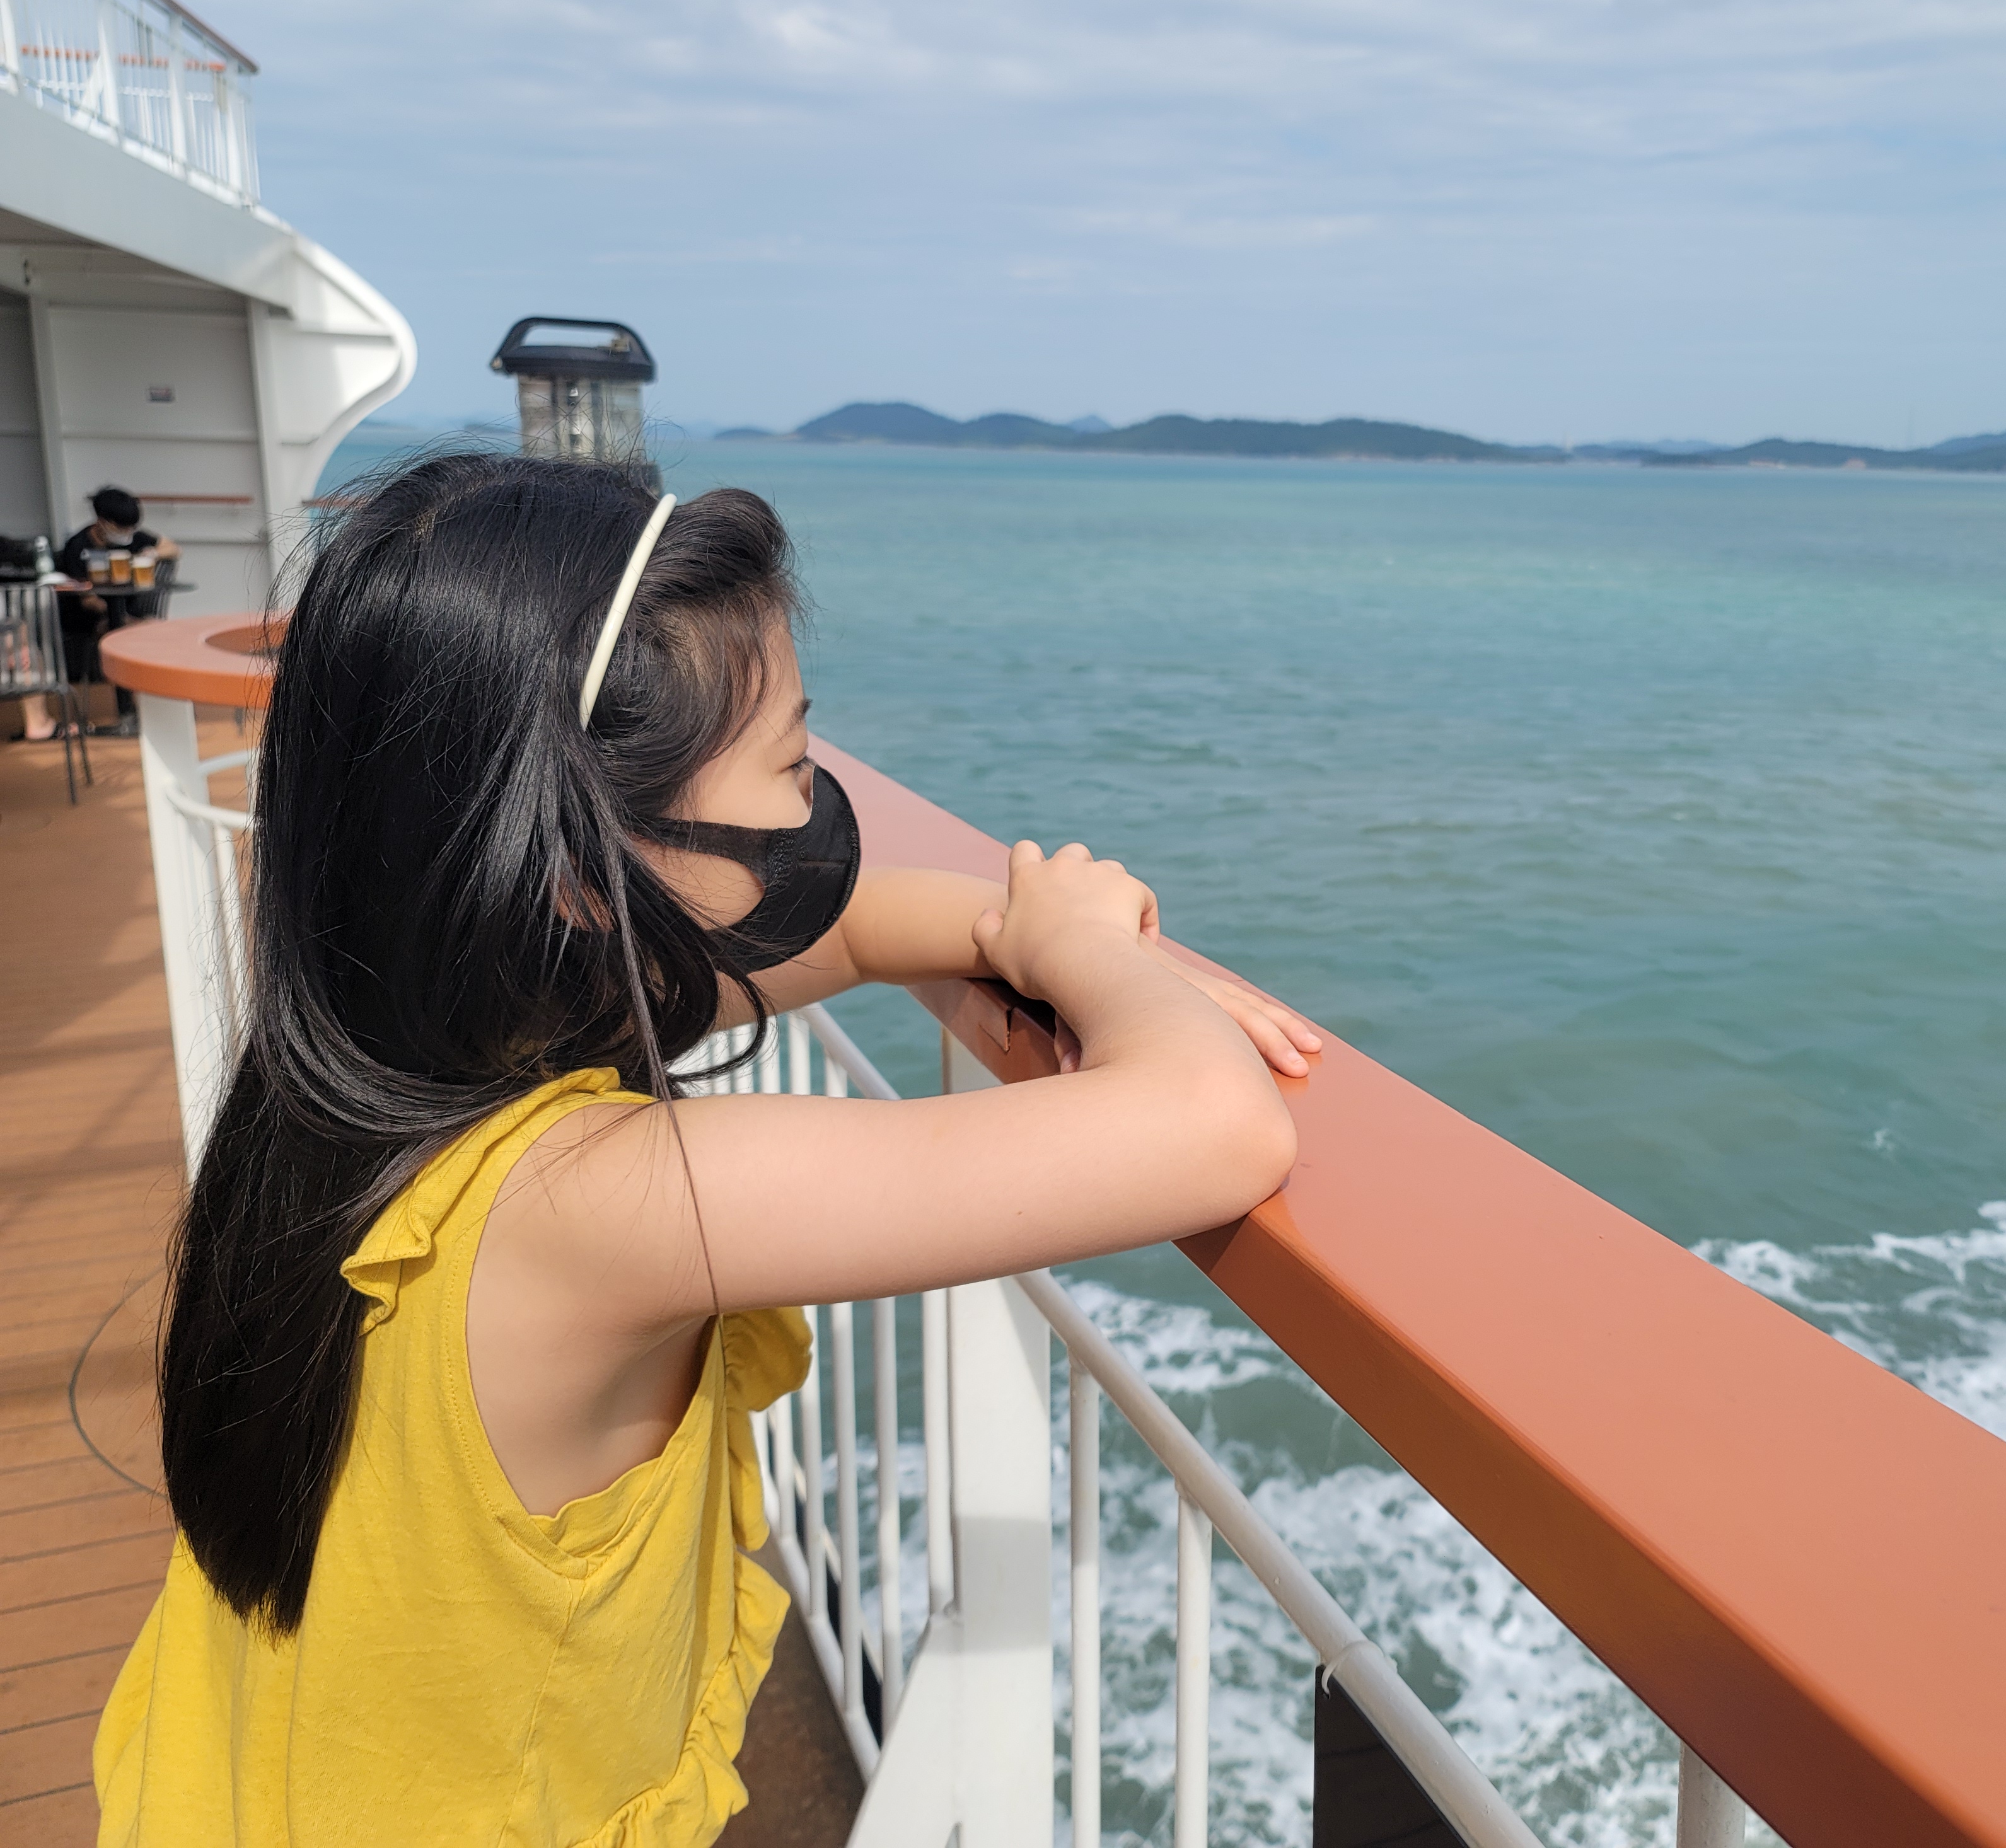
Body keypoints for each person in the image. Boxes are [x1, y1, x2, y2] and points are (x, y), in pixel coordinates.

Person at [94, 455, 1316, 1845]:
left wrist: (999, 937)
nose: (817, 812)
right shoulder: (595, 1205)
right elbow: (1217, 1128)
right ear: (581, 869)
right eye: (794, 766)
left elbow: (847, 926)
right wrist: (1088, 946)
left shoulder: (381, 1068)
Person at [54, 485, 183, 734]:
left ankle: (157, 707)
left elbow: (174, 548)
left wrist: (152, 553)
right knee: (136, 634)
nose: (127, 534)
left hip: (129, 616)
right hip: (90, 622)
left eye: (131, 528)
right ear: (102, 522)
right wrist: (121, 617)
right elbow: (88, 601)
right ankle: (131, 712)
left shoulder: (134, 538)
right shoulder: (78, 547)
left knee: (158, 633)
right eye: (121, 528)